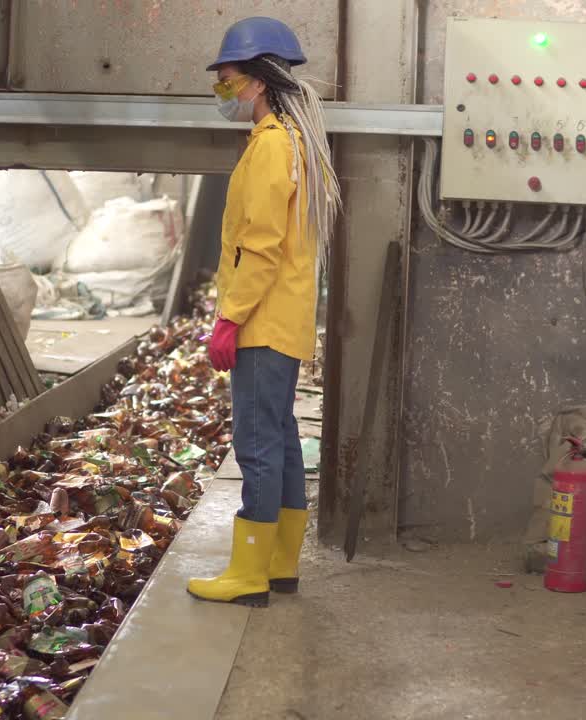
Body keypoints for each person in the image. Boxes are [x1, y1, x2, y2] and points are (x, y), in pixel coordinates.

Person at [187, 17, 340, 607]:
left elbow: (263, 244)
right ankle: (279, 565)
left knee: (255, 442)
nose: (220, 90)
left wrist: (230, 317)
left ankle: (249, 574)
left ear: (255, 81)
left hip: (264, 322)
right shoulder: (281, 143)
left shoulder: (274, 146)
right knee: (277, 437)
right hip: (282, 320)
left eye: (226, 79)